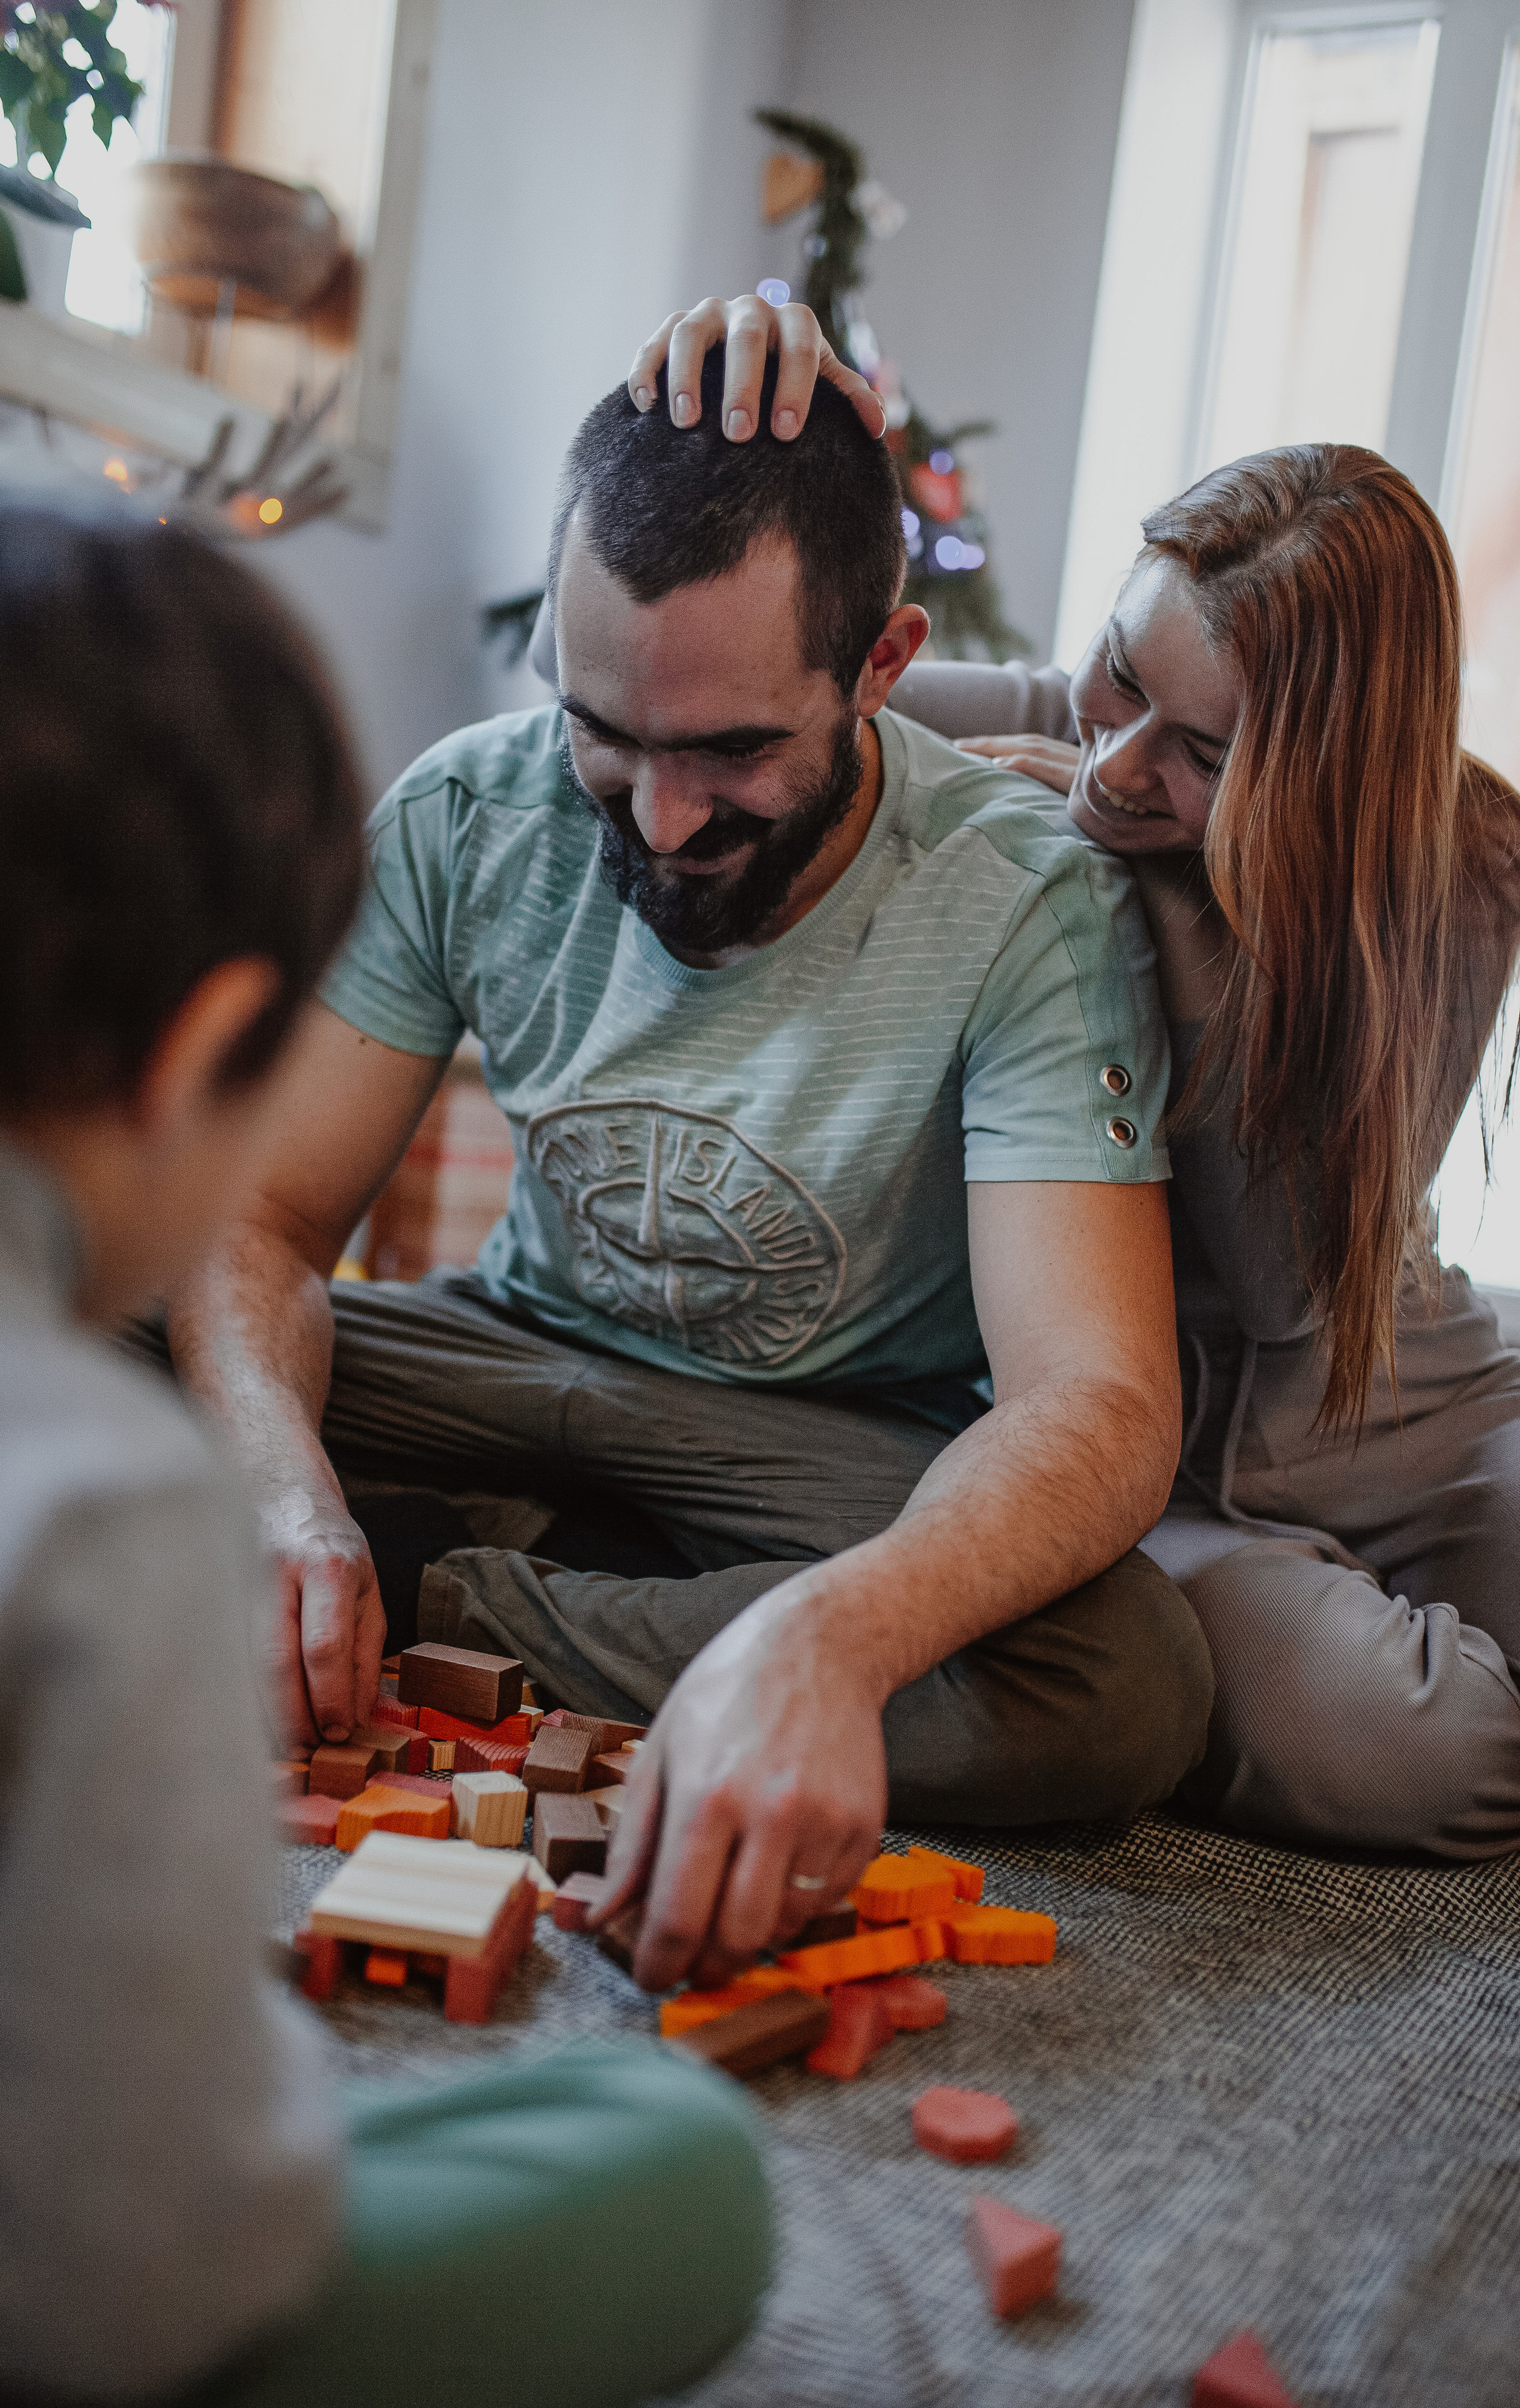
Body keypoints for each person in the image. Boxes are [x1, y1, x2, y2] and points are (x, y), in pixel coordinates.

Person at [0, 456, 768, 2408]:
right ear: (202, 1049)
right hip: (8, 2406)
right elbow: (118, 2294)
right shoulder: (103, 1508)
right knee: (679, 2178)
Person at [163, 345, 1214, 1997]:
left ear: (880, 663)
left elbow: (1095, 1404)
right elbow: (264, 1221)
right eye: (603, 734)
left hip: (813, 1449)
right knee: (77, 1335)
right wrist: (286, 1501)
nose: (655, 822)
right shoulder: (462, 813)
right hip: (502, 1361)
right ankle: (410, 1568)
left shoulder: (1025, 907)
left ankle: (445, 1585)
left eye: (728, 753)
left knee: (1122, 1680)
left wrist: (826, 1641)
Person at [626, 297, 1520, 1870]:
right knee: (1427, 1757)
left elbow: (1291, 1285)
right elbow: (697, 690)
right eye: (1113, 674)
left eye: (1206, 757)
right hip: (1145, 1476)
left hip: (1415, 1419)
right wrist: (731, 394)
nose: (1112, 767)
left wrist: (1122, 900)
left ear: (1333, 775)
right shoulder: (1033, 733)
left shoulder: (1462, 868)